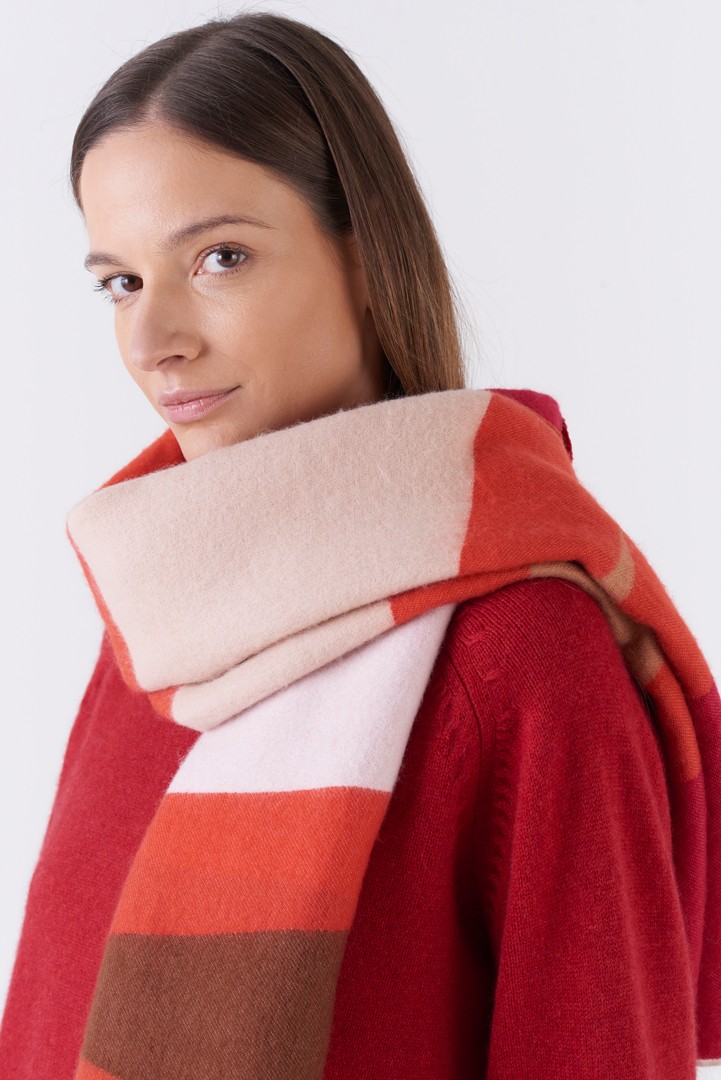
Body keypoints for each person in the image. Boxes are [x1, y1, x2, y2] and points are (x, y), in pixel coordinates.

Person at [1, 11, 719, 1080]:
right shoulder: (159, 612)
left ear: (367, 255)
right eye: (122, 282)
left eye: (219, 258)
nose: (153, 342)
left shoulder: (522, 653)